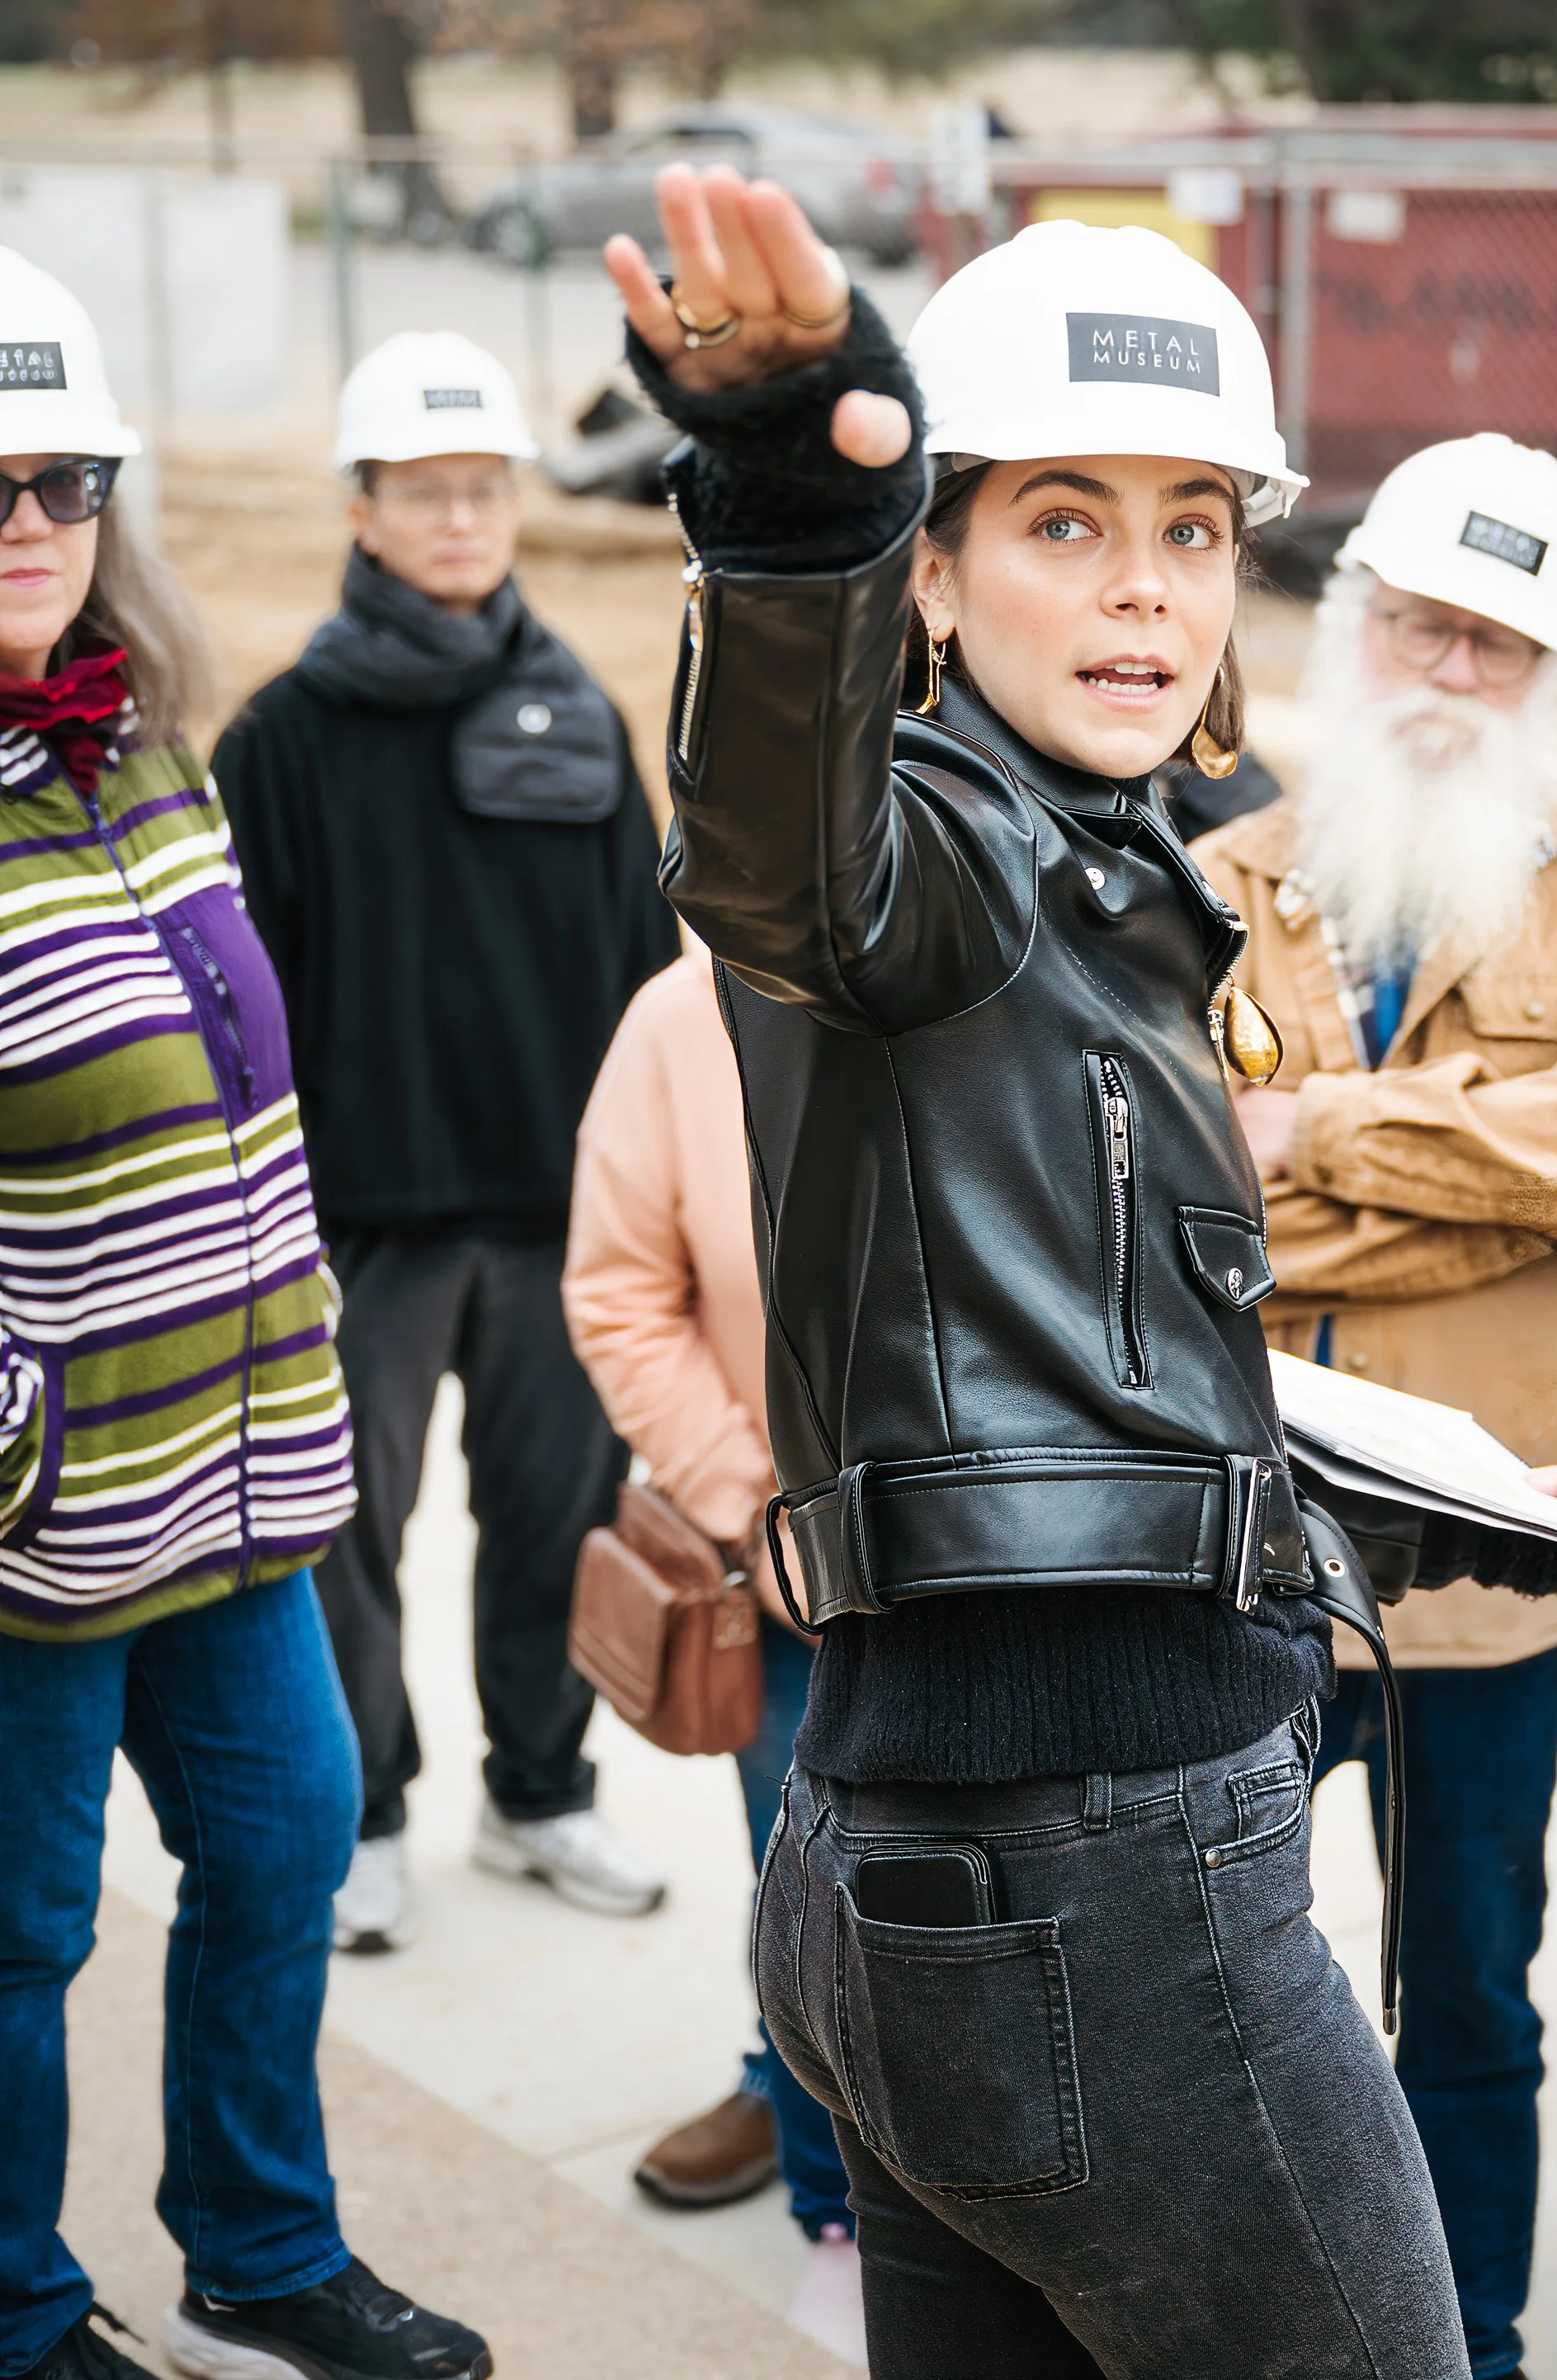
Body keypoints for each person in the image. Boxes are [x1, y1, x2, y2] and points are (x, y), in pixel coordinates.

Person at [603, 182, 1557, 2378]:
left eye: (1190, 529)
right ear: (945, 573)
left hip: (923, 1845)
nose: (1146, 590)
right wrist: (803, 501)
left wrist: (1287, 1469)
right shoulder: (933, 851)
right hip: (1093, 1867)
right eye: (1064, 523)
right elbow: (773, 851)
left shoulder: (1100, 873)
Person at [1192, 433, 1557, 2380]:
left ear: (1553, 668)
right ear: (1350, 631)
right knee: (1214, 1995)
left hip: (1483, 1572)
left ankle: (1468, 2344)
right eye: (1419, 622)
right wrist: (1461, 1198)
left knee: (1465, 2002)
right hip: (1240, 1556)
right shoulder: (1215, 883)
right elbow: (1173, 1194)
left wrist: (1317, 1138)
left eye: (1495, 642)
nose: (1448, 668)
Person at [0, 255, 488, 2380]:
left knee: (284, 1842)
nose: (26, 521)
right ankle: (16, 2315)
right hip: (35, 1521)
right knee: (15, 1944)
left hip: (236, 1474)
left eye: (64, 477)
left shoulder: (146, 758)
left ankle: (257, 2258)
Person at [212, 331, 678, 1953]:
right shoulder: (280, 742)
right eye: (427, 491)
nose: (463, 516)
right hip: (367, 1226)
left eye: (485, 488)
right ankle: (370, 1815)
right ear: (362, 509)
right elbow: (239, 1014)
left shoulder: (579, 715)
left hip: (558, 1220)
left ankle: (539, 1798)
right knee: (348, 1538)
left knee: (557, 1522)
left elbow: (644, 975)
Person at [562, 944, 863, 2365]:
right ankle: (839, 2220)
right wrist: (758, 1508)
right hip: (801, 1587)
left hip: (1018, 1571)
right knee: (814, 1918)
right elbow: (621, 1291)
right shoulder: (682, 1019)